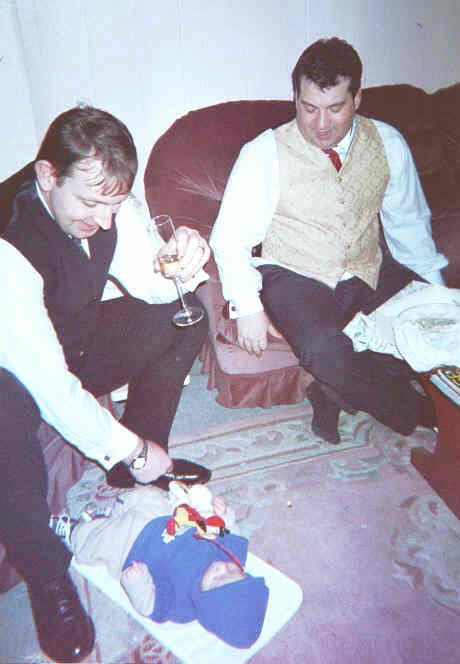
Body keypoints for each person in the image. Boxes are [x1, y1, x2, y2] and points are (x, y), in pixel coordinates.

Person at [0, 105, 212, 663]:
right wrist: (128, 445)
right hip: (12, 371)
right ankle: (48, 578)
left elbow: (151, 286)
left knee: (187, 317)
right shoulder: (8, 248)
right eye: (91, 205)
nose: (104, 220)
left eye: (114, 206)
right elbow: (50, 386)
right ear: (48, 175)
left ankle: (134, 468)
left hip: (72, 336)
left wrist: (177, 263)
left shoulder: (106, 193)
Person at [210, 37, 448, 445]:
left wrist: (435, 297)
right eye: (309, 108)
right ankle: (424, 415)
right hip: (293, 272)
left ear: (357, 98)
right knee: (323, 349)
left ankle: (333, 390)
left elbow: (409, 225)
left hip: (367, 266)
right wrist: (246, 306)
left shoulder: (388, 143)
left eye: (335, 108)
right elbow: (229, 237)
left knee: (429, 326)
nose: (321, 124)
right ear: (295, 99)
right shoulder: (264, 153)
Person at [52, 484, 269, 649]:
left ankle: (75, 530)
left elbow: (149, 605)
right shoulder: (231, 556)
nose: (222, 567)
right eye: (233, 571)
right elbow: (230, 533)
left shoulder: (183, 606)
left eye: (218, 579)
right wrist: (224, 516)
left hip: (131, 547)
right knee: (150, 494)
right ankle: (114, 513)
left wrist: (138, 582)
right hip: (164, 521)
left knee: (94, 543)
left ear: (206, 603)